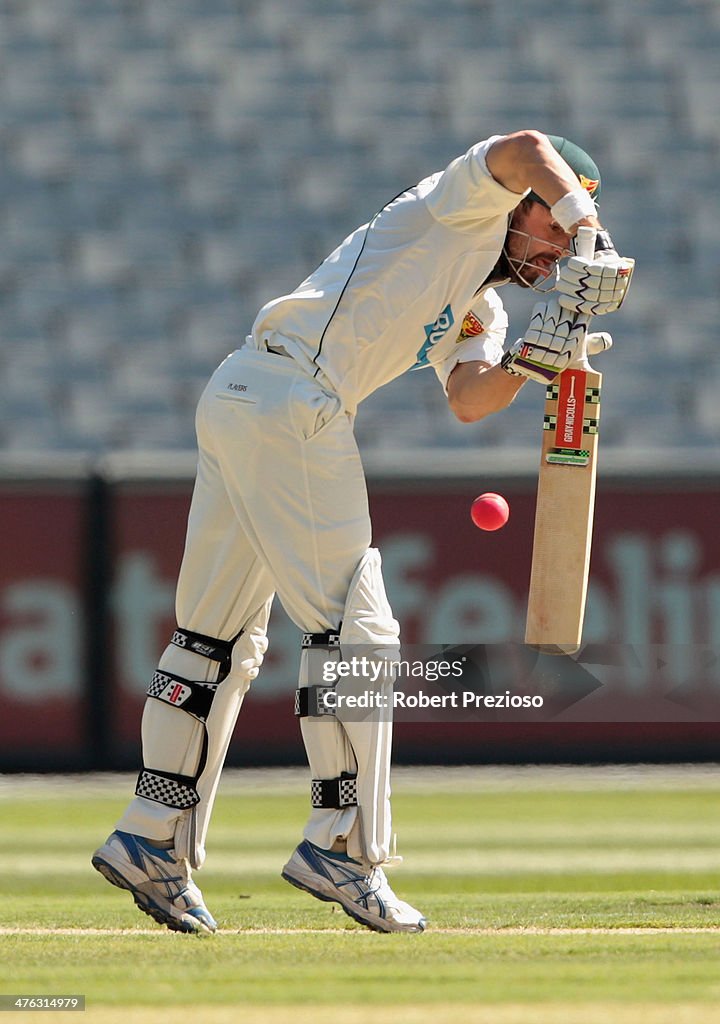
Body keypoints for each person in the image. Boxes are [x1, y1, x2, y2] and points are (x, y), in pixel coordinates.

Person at [92, 130, 634, 935]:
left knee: (216, 642)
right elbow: (523, 146)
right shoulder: (458, 206)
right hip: (295, 402)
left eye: (567, 244)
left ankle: (150, 835)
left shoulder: (481, 301)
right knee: (359, 633)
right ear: (523, 205)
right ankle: (344, 847)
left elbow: (469, 400)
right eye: (551, 232)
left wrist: (535, 356)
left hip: (243, 397)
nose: (558, 255)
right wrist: (586, 223)